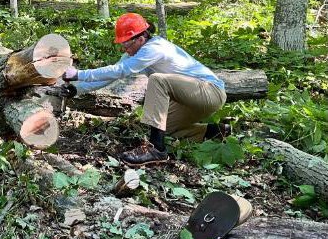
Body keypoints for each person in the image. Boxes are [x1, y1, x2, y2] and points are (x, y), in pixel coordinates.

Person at [62, 13, 229, 166]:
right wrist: (78, 89)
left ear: (141, 38)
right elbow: (113, 74)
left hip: (210, 92)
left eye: (126, 44)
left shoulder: (154, 48)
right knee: (166, 128)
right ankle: (216, 131)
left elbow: (121, 70)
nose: (124, 49)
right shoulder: (135, 53)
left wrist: (79, 74)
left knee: (158, 80)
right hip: (189, 100)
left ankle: (156, 149)